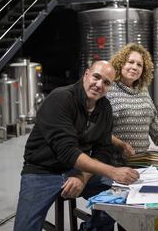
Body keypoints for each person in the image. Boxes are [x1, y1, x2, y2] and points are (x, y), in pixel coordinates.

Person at [14, 60, 139, 231]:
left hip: (77, 169)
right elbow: (67, 152)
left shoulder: (105, 108)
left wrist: (82, 176)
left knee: (118, 201)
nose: (99, 85)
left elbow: (103, 150)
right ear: (86, 74)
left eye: (106, 82)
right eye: (96, 77)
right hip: (42, 170)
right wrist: (113, 171)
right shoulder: (61, 98)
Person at [107, 43, 158, 166]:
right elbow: (99, 129)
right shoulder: (108, 88)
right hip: (115, 163)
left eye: (139, 65)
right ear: (120, 63)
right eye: (130, 62)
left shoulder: (143, 89)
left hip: (142, 162)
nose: (135, 67)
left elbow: (152, 120)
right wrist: (121, 145)